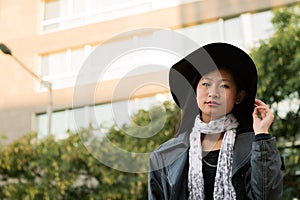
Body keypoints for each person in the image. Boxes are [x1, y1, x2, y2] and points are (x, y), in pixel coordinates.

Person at [148, 42, 284, 200]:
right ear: (194, 92)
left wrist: (261, 135)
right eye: (206, 84)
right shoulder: (164, 156)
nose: (213, 93)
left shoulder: (254, 148)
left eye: (224, 86)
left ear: (239, 96)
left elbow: (269, 196)